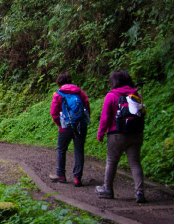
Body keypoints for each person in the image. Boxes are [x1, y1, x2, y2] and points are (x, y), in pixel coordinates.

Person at [95, 69, 147, 203]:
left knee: (112, 161)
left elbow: (105, 118)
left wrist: (100, 134)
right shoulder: (136, 95)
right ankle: (140, 192)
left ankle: (108, 189)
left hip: (116, 134)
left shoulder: (111, 96)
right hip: (135, 134)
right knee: (135, 163)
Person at [49, 72, 91, 187]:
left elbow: (54, 113)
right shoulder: (79, 92)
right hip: (80, 125)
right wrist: (84, 120)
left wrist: (61, 124)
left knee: (61, 149)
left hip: (66, 126)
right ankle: (77, 178)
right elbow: (86, 105)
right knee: (79, 149)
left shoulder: (58, 94)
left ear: (59, 82)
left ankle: (61, 175)